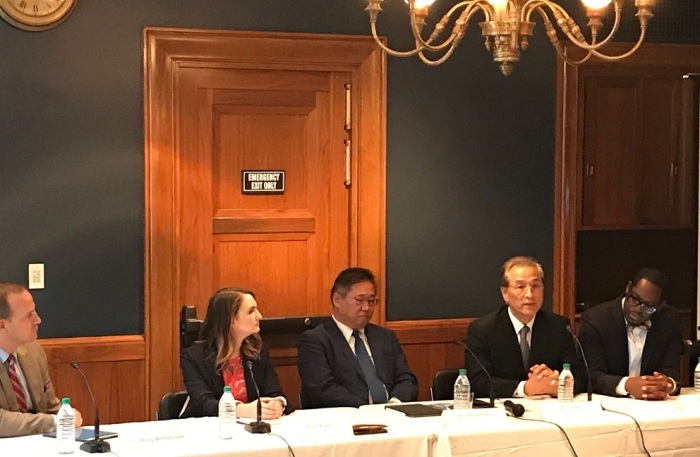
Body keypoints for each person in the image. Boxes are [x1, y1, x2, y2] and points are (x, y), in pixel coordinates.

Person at [465, 256, 586, 399]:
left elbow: (581, 377)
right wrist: (525, 388)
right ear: (505, 293)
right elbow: (478, 382)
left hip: (548, 409)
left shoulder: (559, 327)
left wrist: (558, 382)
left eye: (535, 286)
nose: (529, 295)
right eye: (520, 287)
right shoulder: (483, 329)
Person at [297, 267, 418, 408]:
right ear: (337, 300)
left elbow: (406, 379)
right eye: (359, 300)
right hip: (344, 420)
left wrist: (393, 404)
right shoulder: (315, 340)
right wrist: (368, 410)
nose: (366, 307)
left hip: (390, 416)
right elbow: (322, 390)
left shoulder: (385, 337)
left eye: (371, 301)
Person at [181, 287, 288, 419]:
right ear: (231, 320)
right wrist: (242, 410)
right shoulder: (194, 357)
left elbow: (275, 392)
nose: (259, 316)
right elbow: (204, 404)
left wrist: (276, 404)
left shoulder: (258, 351)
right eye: (251, 311)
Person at [578, 268, 683, 400]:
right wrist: (626, 385)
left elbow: (672, 372)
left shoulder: (669, 321)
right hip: (609, 405)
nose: (638, 309)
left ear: (661, 306)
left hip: (654, 406)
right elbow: (591, 376)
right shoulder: (596, 320)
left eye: (648, 306)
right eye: (635, 299)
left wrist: (666, 384)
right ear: (628, 288)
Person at [0, 282, 83, 437]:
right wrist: (54, 422)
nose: (38, 320)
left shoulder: (33, 352)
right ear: (2, 325)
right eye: (28, 315)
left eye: (34, 311)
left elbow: (51, 407)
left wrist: (67, 414)